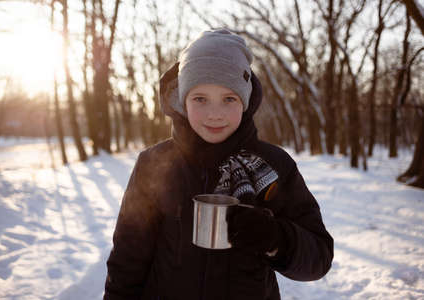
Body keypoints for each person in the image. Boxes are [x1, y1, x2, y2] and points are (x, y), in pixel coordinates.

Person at [104, 28, 333, 300]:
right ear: (182, 101)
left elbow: (319, 257)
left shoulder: (272, 166)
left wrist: (275, 238)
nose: (215, 114)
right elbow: (127, 257)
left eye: (229, 99)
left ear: (245, 102)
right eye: (200, 99)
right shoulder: (154, 164)